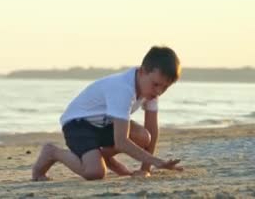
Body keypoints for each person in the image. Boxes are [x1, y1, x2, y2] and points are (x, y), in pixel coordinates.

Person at [32, 46, 184, 181]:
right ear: (142, 71)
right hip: (78, 124)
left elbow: (152, 130)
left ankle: (100, 157)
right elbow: (121, 142)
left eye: (165, 87)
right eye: (156, 84)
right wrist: (156, 161)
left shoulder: (150, 92)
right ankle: (53, 152)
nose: (159, 91)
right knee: (95, 173)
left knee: (144, 137)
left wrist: (145, 169)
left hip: (104, 124)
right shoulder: (123, 89)